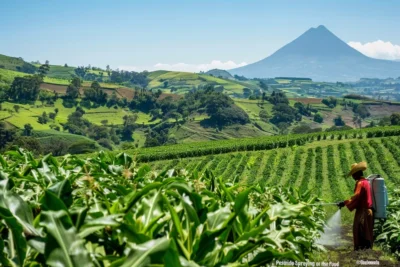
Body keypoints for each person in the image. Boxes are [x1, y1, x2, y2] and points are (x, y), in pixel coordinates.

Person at [337, 162, 374, 250]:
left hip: (362, 211)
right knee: (367, 230)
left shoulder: (360, 183)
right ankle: (367, 248)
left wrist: (344, 202)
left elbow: (356, 197)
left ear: (357, 173)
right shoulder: (366, 182)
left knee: (359, 229)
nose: (353, 177)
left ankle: (362, 249)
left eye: (353, 174)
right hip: (368, 211)